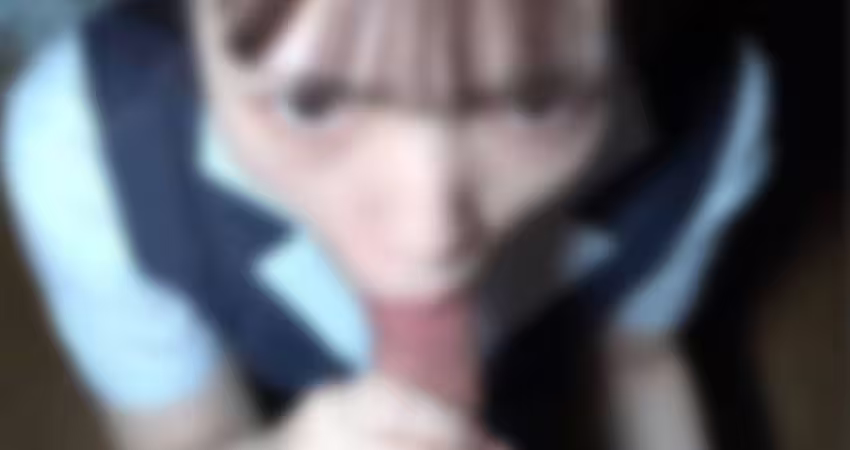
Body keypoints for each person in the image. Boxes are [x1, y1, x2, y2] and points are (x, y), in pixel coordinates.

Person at [3, 0, 773, 449]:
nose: (427, 238)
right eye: (310, 102)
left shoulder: (712, 121)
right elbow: (184, 431)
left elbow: (638, 355)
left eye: (536, 101)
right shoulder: (90, 152)